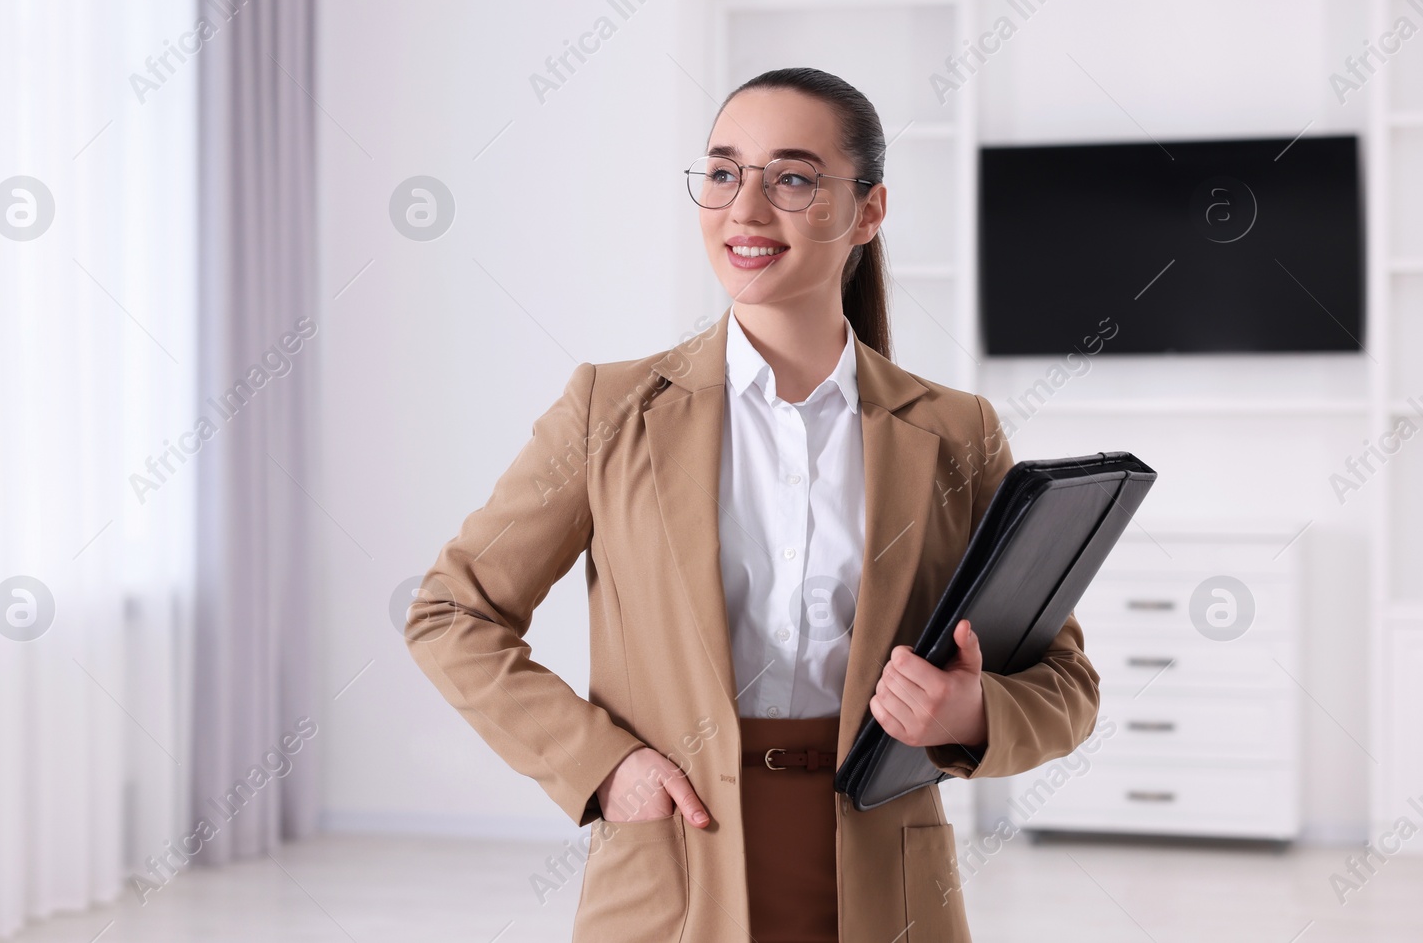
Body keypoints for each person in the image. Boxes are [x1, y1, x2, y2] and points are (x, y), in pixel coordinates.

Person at [404, 66, 1100, 943]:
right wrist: (602, 763)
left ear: (868, 211)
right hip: (672, 869)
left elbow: (1066, 686)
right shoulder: (608, 412)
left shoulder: (955, 434)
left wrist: (969, 716)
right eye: (726, 172)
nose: (746, 208)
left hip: (885, 883)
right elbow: (450, 612)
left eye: (794, 178)